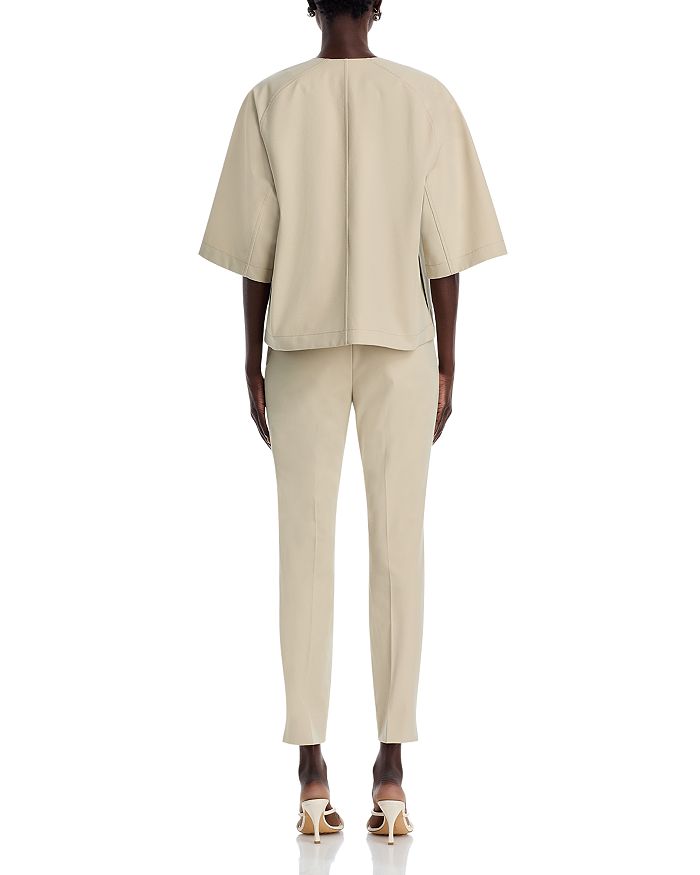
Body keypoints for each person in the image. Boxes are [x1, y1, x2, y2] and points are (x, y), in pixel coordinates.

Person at [198, 0, 506, 843]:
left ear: (310, 6)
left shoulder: (270, 100)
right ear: (378, 8)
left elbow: (256, 250)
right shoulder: (424, 97)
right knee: (398, 549)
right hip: (402, 344)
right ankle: (392, 769)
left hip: (298, 346)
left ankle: (310, 770)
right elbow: (444, 251)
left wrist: (250, 358)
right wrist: (448, 362)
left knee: (303, 550)